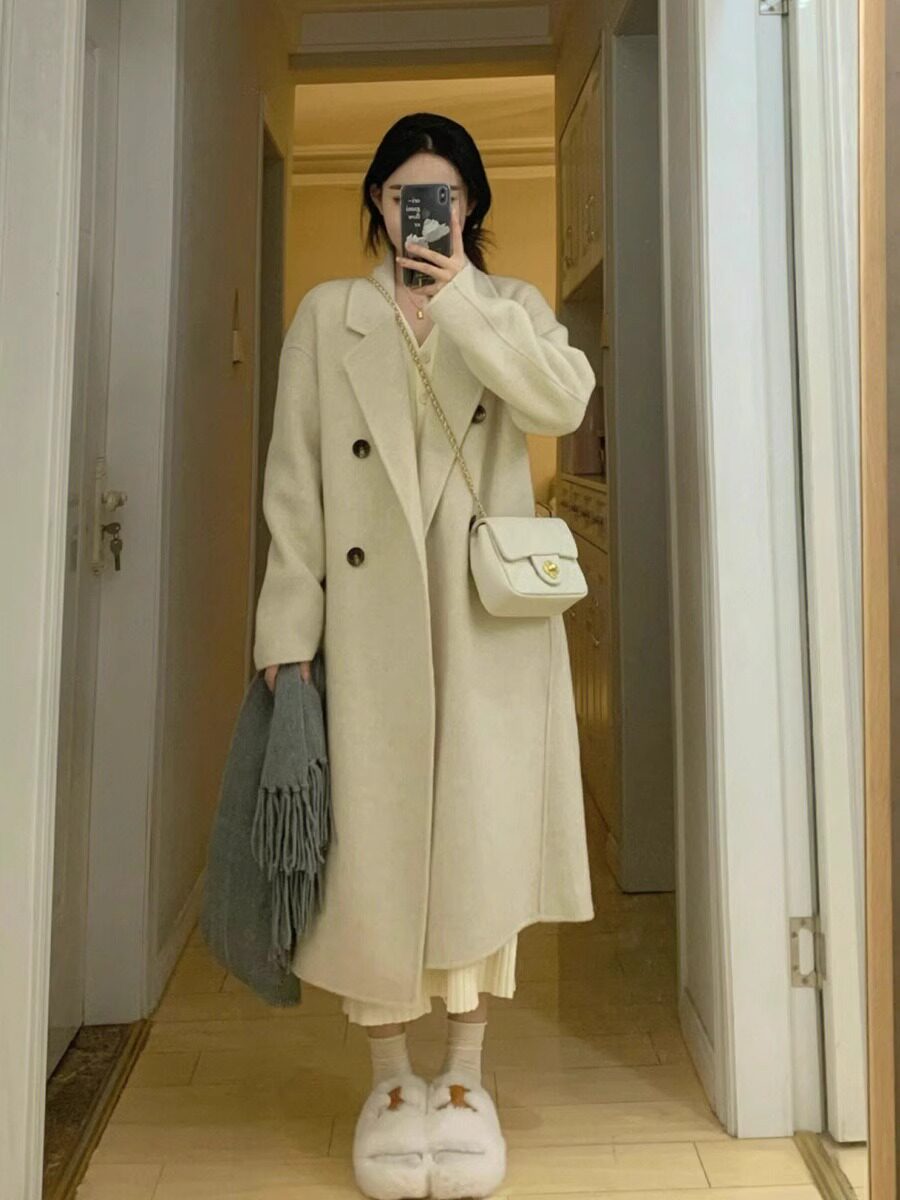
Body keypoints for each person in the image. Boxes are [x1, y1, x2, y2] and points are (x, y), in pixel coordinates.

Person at [254, 112, 596, 1200]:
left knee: (476, 850)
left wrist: (460, 302)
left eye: (442, 196)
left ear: (471, 207)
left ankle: (465, 1081)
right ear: (376, 201)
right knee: (373, 856)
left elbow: (563, 400)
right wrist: (286, 635)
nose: (423, 213)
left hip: (481, 628)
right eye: (407, 194)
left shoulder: (507, 306)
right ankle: (391, 1084)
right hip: (369, 633)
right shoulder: (329, 316)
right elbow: (295, 486)